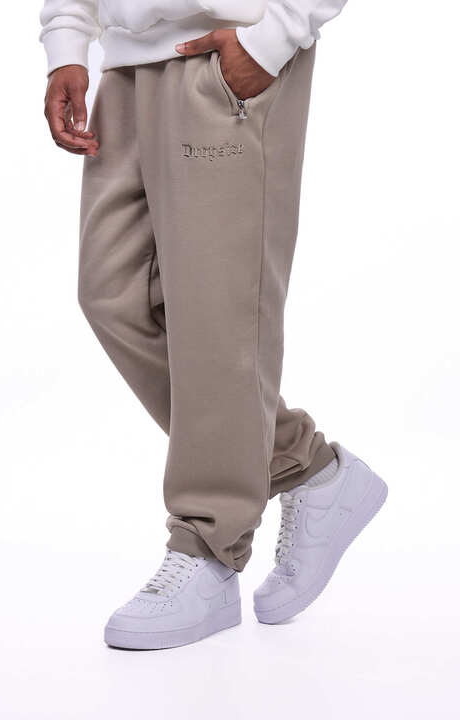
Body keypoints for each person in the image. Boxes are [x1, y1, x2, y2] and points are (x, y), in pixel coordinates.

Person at [41, 0, 388, 650]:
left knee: (217, 313)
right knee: (113, 295)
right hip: (125, 63)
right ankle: (303, 465)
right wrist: (67, 40)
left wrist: (276, 35)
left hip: (226, 56)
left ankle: (209, 543)